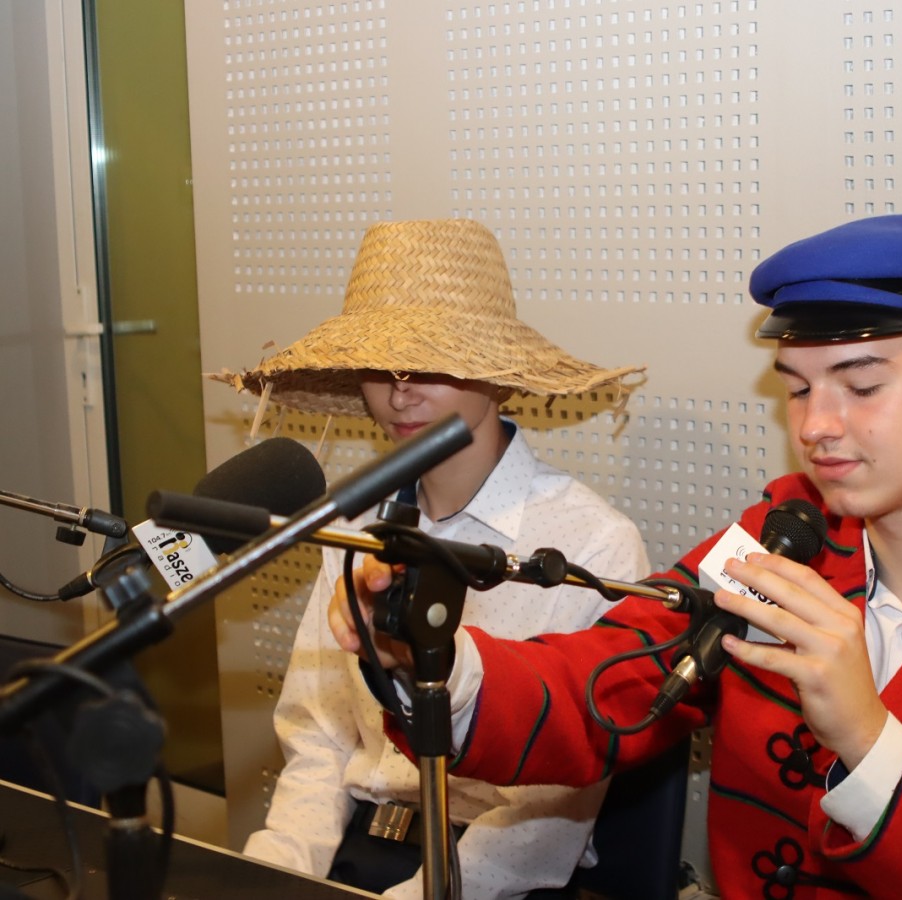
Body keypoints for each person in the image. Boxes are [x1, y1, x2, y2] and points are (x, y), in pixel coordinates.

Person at [332, 215, 902, 898]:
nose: (816, 425)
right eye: (798, 389)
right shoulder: (781, 539)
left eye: (862, 385)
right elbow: (606, 680)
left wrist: (869, 742)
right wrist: (431, 653)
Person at [220, 218, 651, 899]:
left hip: (490, 879)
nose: (401, 393)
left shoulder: (590, 543)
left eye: (430, 364)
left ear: (496, 374)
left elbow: (548, 809)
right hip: (359, 853)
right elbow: (318, 733)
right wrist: (274, 875)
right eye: (382, 367)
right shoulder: (355, 524)